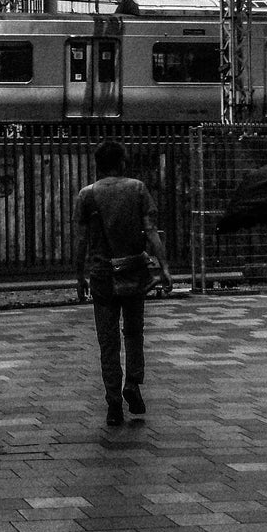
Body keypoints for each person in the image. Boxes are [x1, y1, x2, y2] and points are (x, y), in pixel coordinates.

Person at [74, 139, 171, 426]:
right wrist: (164, 267)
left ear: (98, 165)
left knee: (108, 342)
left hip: (102, 276)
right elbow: (152, 233)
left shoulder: (86, 195)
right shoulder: (138, 189)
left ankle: (113, 402)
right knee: (133, 332)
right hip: (133, 272)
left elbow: (80, 241)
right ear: (122, 163)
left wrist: (79, 276)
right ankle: (133, 382)